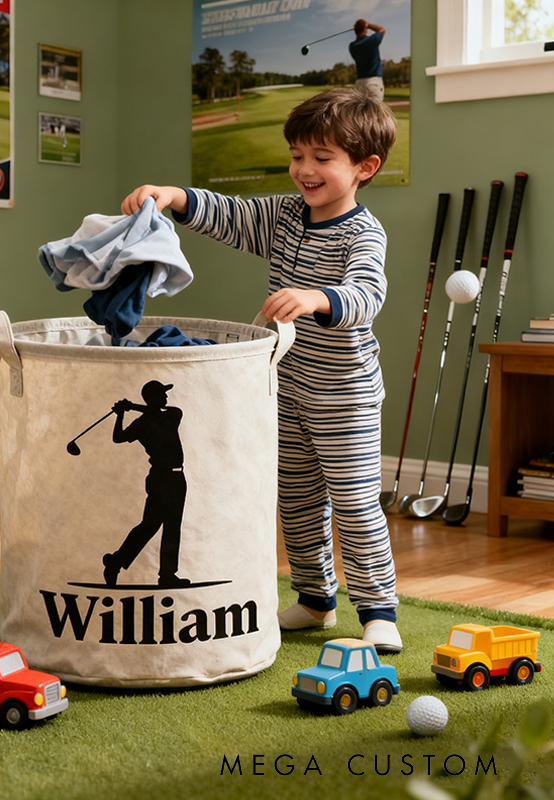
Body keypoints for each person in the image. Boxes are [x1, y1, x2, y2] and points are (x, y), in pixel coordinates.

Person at [120, 89, 402, 652]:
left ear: (364, 167)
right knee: (295, 499)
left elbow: (367, 293)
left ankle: (376, 608)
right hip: (286, 389)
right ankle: (316, 598)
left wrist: (318, 298)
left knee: (352, 502)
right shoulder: (282, 216)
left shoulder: (362, 233)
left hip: (344, 396)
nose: (305, 169)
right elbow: (228, 213)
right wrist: (173, 195)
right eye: (298, 155)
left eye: (322, 158)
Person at [102, 380, 191, 589]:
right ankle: (115, 562)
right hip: (161, 478)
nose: (166, 398)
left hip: (177, 478)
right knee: (150, 526)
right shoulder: (144, 423)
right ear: (153, 397)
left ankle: (167, 575)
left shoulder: (170, 415)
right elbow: (118, 437)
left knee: (172, 527)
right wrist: (121, 414)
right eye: (162, 394)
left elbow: (166, 412)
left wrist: (129, 408)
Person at [349, 19, 386, 101]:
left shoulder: (352, 46)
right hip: (373, 82)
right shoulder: (371, 40)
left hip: (359, 84)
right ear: (365, 29)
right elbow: (382, 29)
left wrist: (362, 26)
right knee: (375, 112)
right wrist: (368, 25)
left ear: (355, 31)